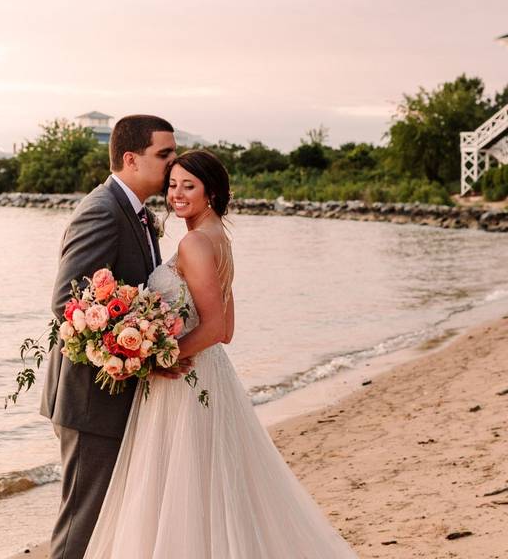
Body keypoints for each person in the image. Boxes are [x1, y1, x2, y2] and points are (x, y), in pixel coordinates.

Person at [84, 149, 359, 558]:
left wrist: (161, 358)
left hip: (186, 379)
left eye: (188, 186)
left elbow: (215, 328)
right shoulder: (218, 237)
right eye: (172, 184)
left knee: (184, 488)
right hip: (210, 374)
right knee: (210, 486)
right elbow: (227, 330)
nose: (176, 194)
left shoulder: (196, 242)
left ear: (210, 191)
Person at [40, 114, 189, 559]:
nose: (172, 164)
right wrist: (142, 344)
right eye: (164, 155)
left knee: (110, 520)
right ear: (130, 158)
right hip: (90, 400)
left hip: (116, 394)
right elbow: (69, 300)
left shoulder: (137, 213)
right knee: (82, 525)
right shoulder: (102, 210)